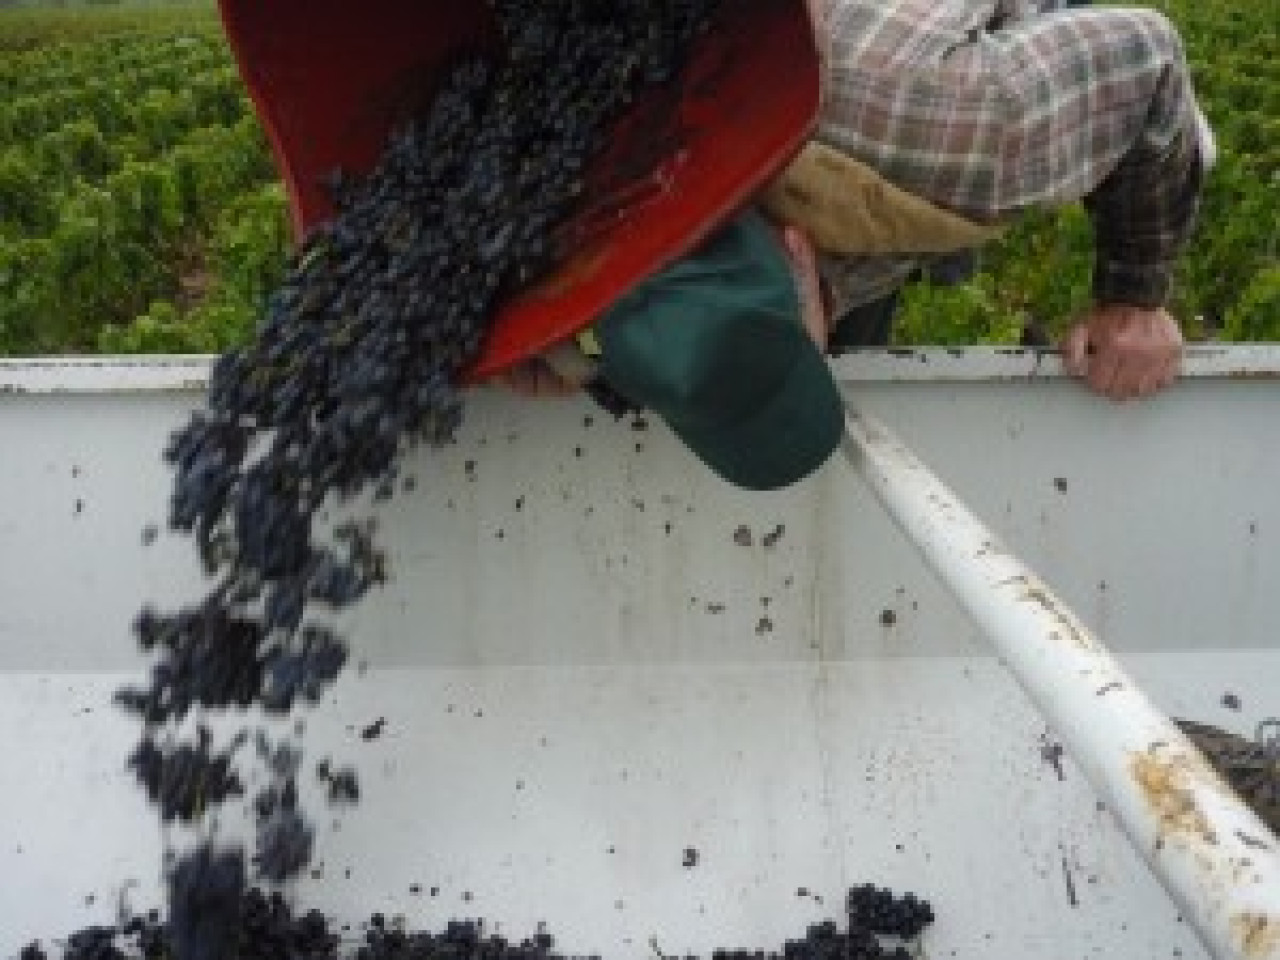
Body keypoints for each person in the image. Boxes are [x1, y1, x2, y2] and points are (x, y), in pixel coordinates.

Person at [495, 0, 1216, 490]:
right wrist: (581, 363)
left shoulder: (979, 132)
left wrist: (1134, 298)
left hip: (898, 87)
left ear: (802, 257)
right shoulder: (541, 197)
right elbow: (627, 315)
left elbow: (1148, 60)